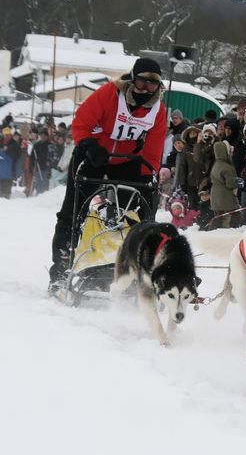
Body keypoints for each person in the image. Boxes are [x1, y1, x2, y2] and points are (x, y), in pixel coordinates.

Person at [48, 57, 168, 291]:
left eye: (153, 85)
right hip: (94, 156)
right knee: (71, 213)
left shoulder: (158, 110)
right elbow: (81, 123)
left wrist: (148, 175)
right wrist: (89, 145)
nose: (146, 89)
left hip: (128, 160)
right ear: (133, 80)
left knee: (136, 215)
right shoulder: (110, 94)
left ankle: (133, 271)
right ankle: (60, 273)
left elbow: (154, 148)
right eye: (142, 83)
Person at [209, 140, 241, 229]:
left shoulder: (216, 164)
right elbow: (230, 184)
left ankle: (213, 231)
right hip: (225, 196)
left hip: (215, 196)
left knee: (218, 216)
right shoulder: (227, 167)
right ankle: (231, 231)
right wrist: (238, 182)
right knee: (235, 215)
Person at [0, 126, 20, 198]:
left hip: (10, 169)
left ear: (11, 135)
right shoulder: (0, 142)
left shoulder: (14, 143)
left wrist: (8, 149)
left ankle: (6, 197)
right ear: (3, 135)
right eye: (5, 135)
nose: (7, 136)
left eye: (8, 135)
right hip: (1, 169)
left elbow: (18, 153)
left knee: (7, 183)